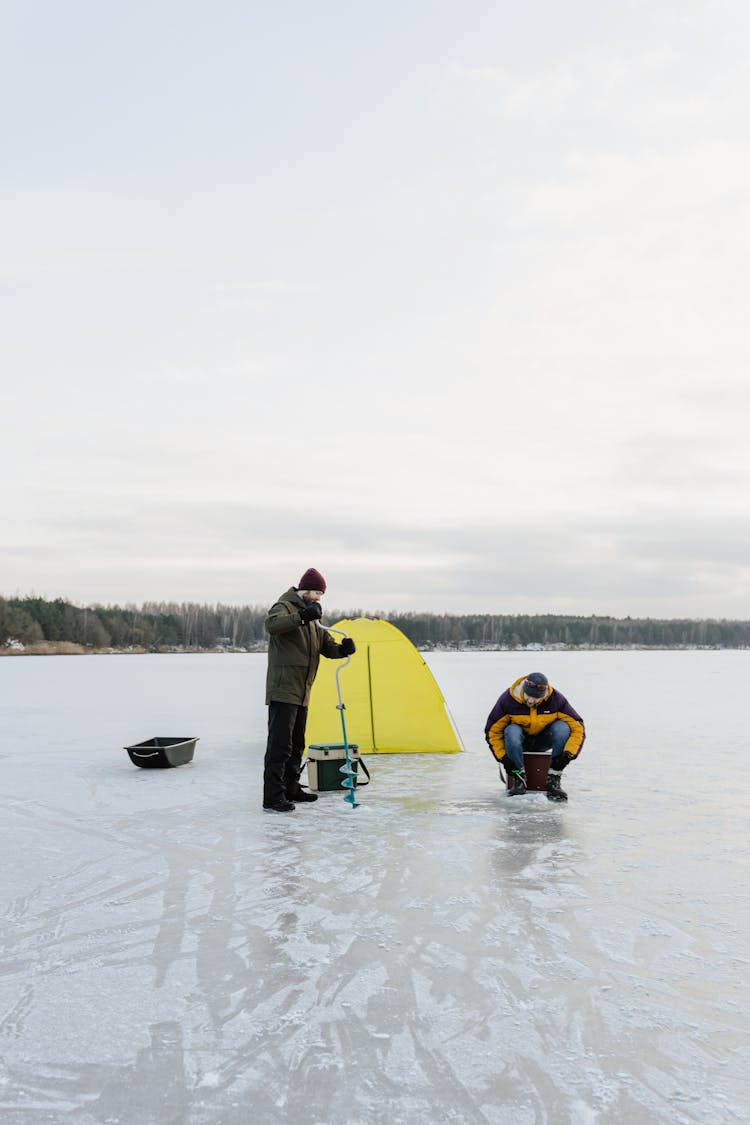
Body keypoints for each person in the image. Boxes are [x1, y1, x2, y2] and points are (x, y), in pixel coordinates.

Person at [263, 568, 355, 812]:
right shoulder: (284, 606)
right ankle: (273, 796)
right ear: (304, 590)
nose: (318, 598)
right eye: (315, 593)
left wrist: (343, 650)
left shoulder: (313, 618)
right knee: (279, 746)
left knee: (296, 745)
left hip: (303, 690)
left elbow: (327, 647)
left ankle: (291, 788)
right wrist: (303, 616)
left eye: (321, 595)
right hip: (283, 688)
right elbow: (272, 625)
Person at [484, 672, 585, 801]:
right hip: (518, 741)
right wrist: (504, 759)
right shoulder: (508, 700)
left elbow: (578, 727)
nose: (531, 700)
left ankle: (553, 778)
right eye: (528, 696)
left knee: (563, 728)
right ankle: (518, 778)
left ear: (544, 695)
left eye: (536, 698)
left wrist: (568, 754)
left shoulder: (556, 700)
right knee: (511, 730)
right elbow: (492, 731)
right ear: (523, 690)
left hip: (543, 740)